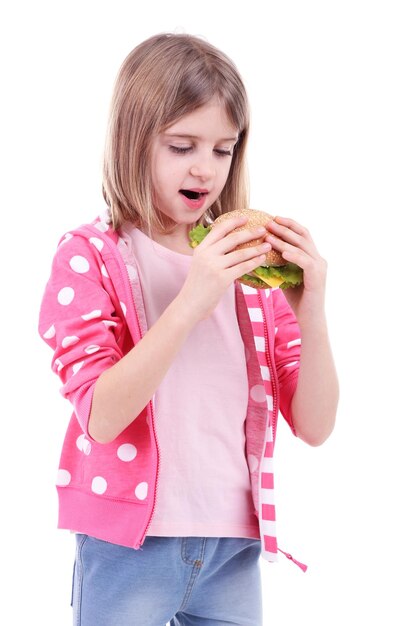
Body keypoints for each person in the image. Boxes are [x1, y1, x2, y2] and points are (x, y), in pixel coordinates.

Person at [38, 33, 338, 626]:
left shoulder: (250, 269)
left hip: (233, 544)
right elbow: (100, 416)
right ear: (132, 141)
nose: (206, 168)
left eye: (224, 150)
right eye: (182, 146)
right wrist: (192, 298)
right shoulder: (91, 255)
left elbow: (317, 425)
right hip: (129, 544)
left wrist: (312, 305)